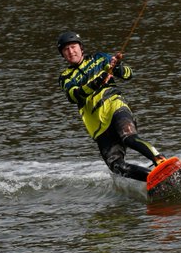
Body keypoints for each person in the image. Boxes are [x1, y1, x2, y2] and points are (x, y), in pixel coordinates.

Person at [56, 30, 169, 182]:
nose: (71, 51)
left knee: (129, 137)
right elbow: (74, 96)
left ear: (81, 47)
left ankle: (160, 160)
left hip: (114, 106)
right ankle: (153, 179)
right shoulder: (65, 77)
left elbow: (129, 74)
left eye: (73, 47)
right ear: (63, 54)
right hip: (98, 126)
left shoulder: (100, 58)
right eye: (66, 49)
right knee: (116, 166)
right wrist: (97, 81)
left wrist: (118, 68)